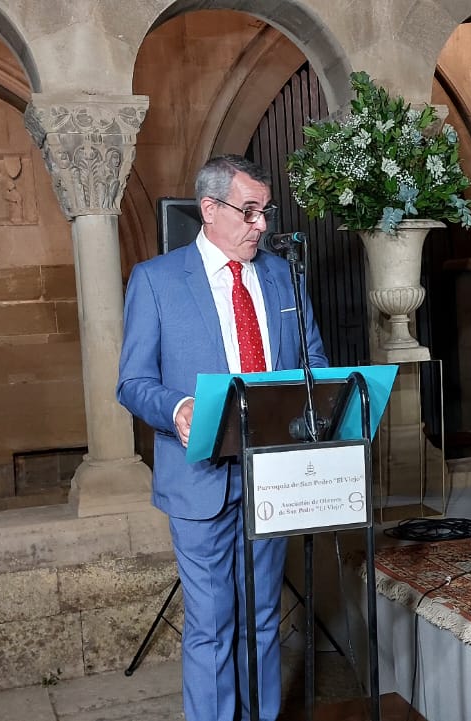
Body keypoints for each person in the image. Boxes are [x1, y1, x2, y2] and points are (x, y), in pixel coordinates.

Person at [117, 154, 327, 721]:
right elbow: (133, 383)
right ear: (209, 210)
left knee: (262, 616)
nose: (261, 224)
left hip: (273, 477)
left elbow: (314, 363)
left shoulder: (284, 276)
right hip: (200, 477)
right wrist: (176, 406)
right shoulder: (156, 281)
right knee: (211, 624)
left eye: (265, 211)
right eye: (250, 211)